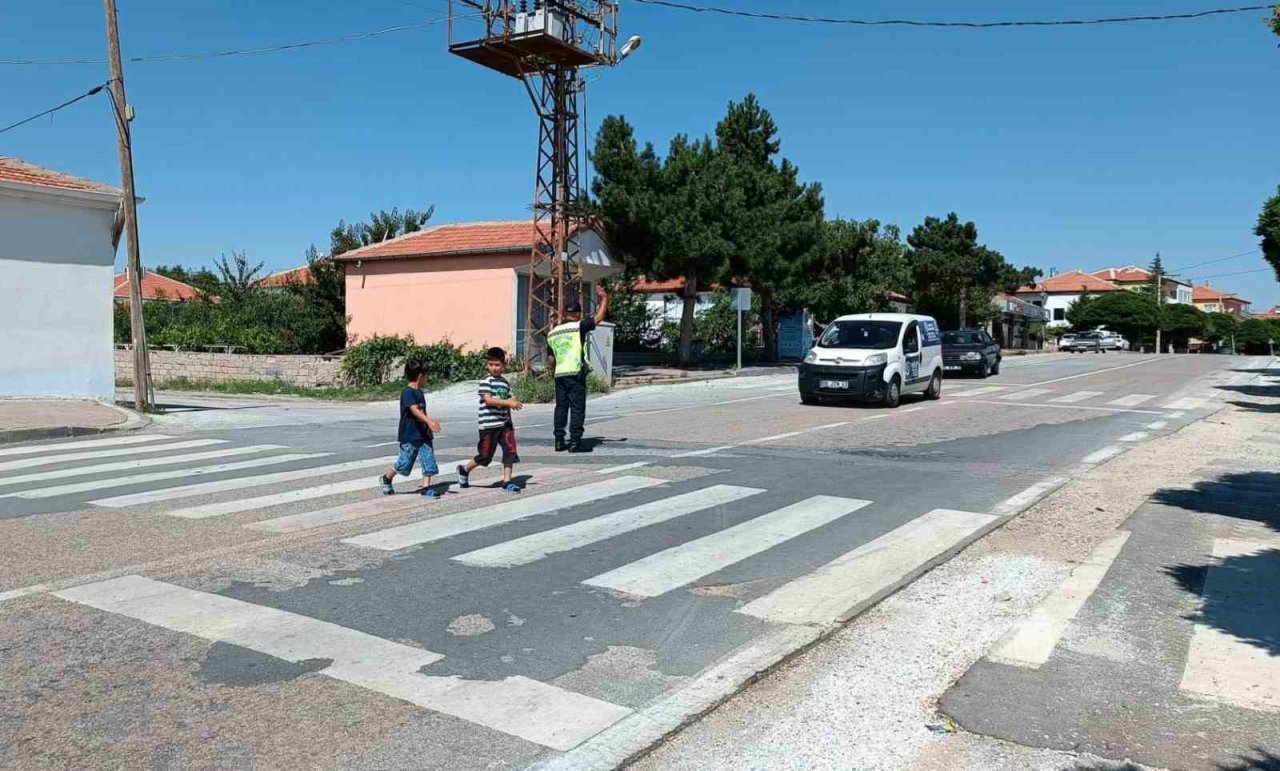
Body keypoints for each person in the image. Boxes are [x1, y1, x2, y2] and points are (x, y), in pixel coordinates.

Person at [546, 284, 608, 453]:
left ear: (565, 313)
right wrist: (604, 298)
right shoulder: (578, 326)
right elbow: (599, 317)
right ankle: (575, 442)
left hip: (559, 374)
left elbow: (551, 360)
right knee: (577, 408)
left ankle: (559, 440)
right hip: (575, 372)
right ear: (579, 314)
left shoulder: (552, 333)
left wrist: (555, 371)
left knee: (561, 407)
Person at [457, 347, 523, 494]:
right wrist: (509, 403)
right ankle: (464, 470)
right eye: (491, 364)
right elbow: (488, 400)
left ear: (503, 365)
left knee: (510, 451)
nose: (494, 368)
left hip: (504, 425)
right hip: (488, 425)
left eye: (497, 365)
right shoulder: (486, 381)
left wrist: (511, 411)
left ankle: (507, 481)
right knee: (485, 456)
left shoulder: (505, 383)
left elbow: (509, 400)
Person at [379, 361, 442, 497]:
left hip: (423, 433)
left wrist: (428, 424)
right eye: (426, 375)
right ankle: (387, 478)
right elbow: (414, 410)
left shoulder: (419, 392)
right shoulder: (407, 392)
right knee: (405, 462)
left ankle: (426, 487)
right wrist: (429, 421)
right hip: (410, 434)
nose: (427, 378)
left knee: (428, 459)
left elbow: (421, 410)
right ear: (420, 376)